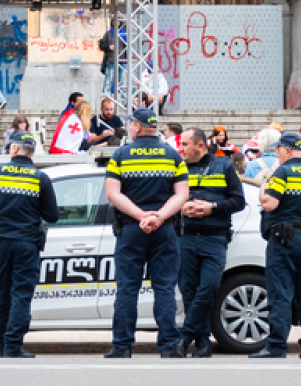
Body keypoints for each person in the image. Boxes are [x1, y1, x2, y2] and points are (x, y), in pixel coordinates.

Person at [103, 107, 189, 358]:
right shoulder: (173, 156)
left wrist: (141, 216)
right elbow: (182, 195)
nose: (130, 127)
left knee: (127, 288)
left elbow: (112, 193)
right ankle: (169, 346)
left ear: (137, 127)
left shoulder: (120, 155)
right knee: (164, 288)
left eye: (131, 124)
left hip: (131, 229)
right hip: (165, 230)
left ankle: (122, 346)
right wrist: (159, 217)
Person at [0, 130, 59, 357]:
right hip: (27, 244)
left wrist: (2, 209)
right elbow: (52, 216)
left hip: (1, 243)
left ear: (13, 149)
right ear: (32, 153)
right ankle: (13, 346)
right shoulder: (40, 178)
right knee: (21, 294)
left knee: (1, 294)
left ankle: (0, 346)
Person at [251, 132, 301, 358]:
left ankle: (276, 346)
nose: (277, 154)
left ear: (286, 150)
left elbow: (269, 203)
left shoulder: (282, 172)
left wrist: (265, 182)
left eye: (278, 150)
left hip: (283, 240)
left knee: (280, 294)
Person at [175, 127, 245, 357]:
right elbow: (166, 200)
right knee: (189, 292)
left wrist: (211, 208)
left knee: (208, 288)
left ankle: (184, 337)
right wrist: (181, 208)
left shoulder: (223, 166)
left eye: (185, 144)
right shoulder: (178, 168)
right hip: (185, 238)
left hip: (214, 238)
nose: (181, 148)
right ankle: (203, 343)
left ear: (201, 146)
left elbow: (238, 201)